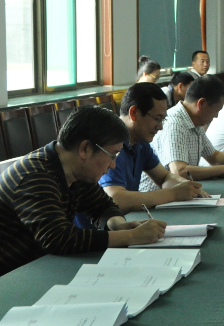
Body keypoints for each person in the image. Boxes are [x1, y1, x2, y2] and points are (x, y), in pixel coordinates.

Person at [0, 107, 166, 276]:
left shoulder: (75, 169)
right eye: (112, 155)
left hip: (40, 267)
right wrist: (131, 236)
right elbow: (58, 238)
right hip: (11, 277)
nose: (113, 165)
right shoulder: (35, 176)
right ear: (85, 148)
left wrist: (119, 226)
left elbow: (103, 206)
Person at [144, 75, 224, 187]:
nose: (216, 116)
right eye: (216, 110)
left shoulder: (195, 121)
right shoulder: (174, 123)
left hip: (180, 193)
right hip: (157, 200)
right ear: (201, 104)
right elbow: (179, 171)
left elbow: (214, 157)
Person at [98, 83, 207, 213]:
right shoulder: (111, 143)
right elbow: (115, 198)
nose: (160, 127)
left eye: (162, 120)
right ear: (134, 113)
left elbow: (164, 177)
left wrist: (185, 186)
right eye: (157, 119)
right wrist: (173, 194)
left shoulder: (140, 142)